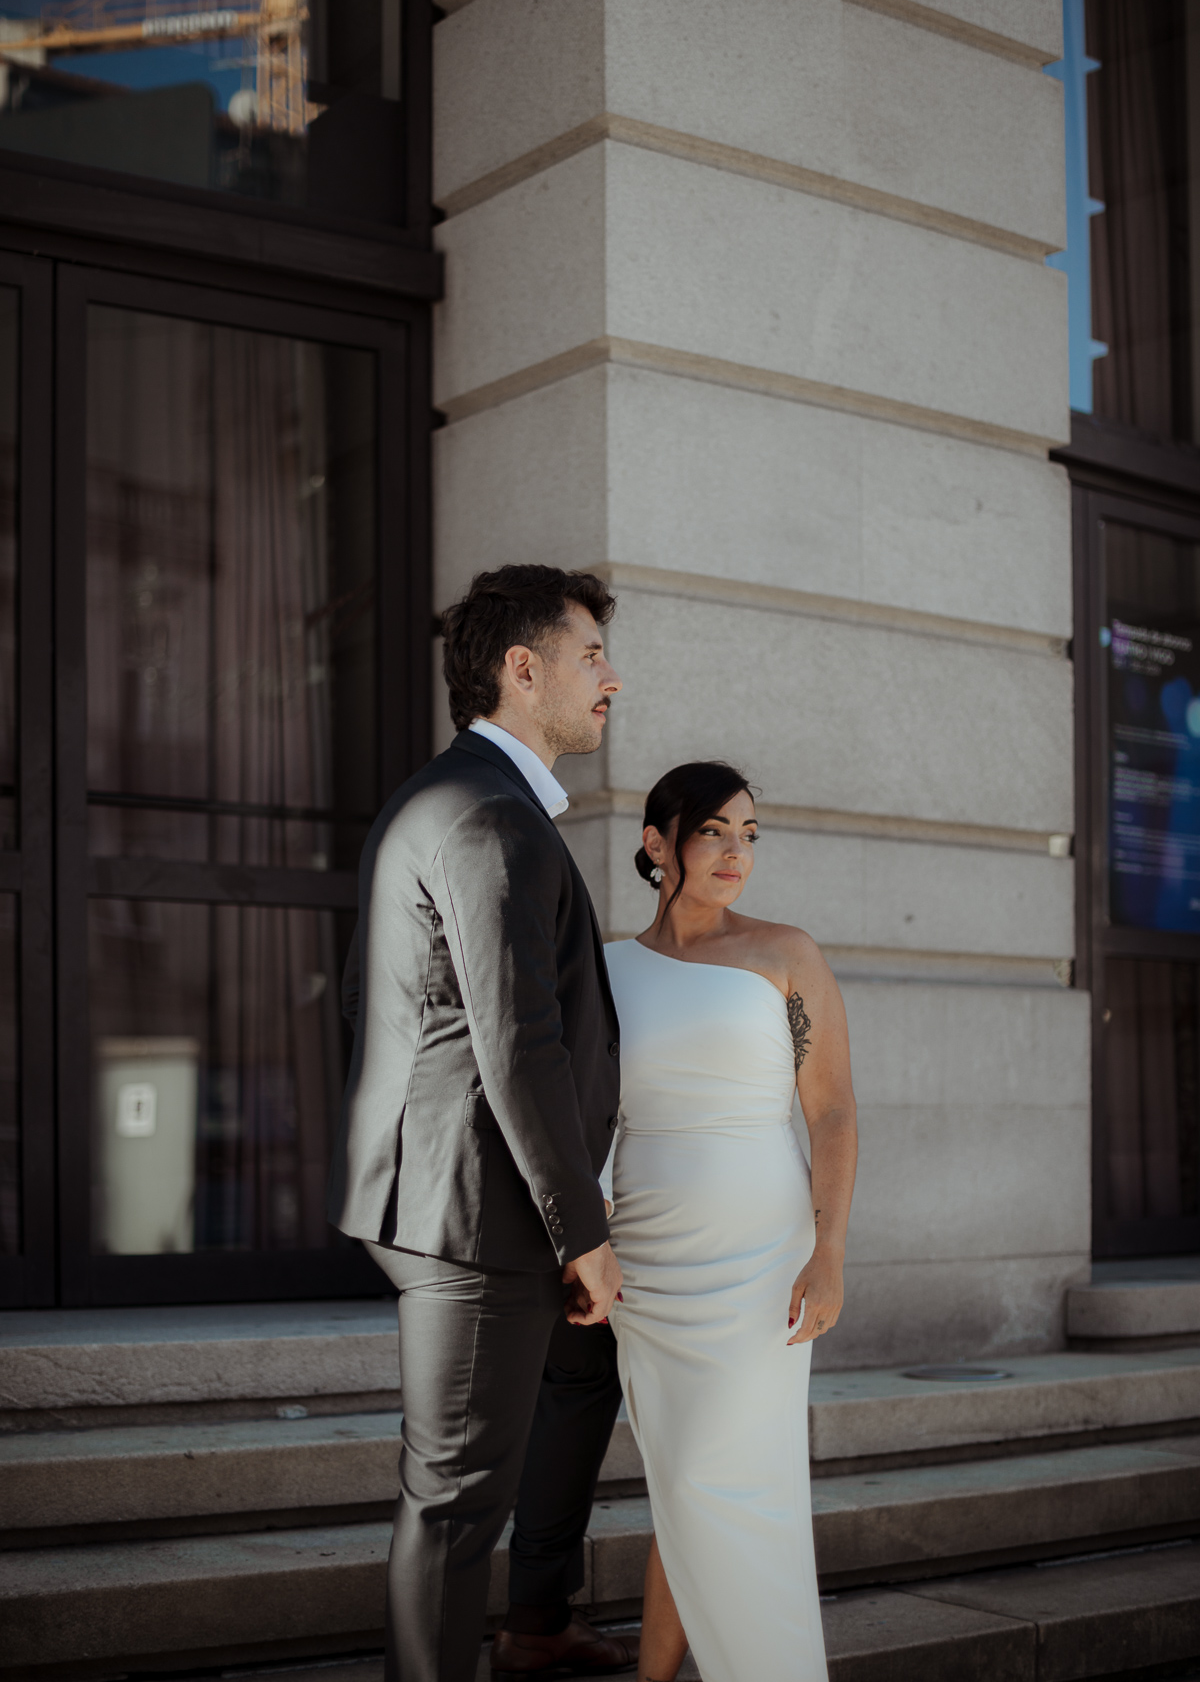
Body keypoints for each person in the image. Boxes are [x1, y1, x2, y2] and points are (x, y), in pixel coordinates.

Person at [327, 564, 639, 1682]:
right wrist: (582, 1229)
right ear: (525, 669)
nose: (613, 679)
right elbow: (517, 1042)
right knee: (455, 1499)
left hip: (470, 1198)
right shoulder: (487, 815)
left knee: (536, 1425)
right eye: (591, 655)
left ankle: (537, 1627)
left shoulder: (466, 800)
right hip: (474, 1213)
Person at [605, 761, 858, 1682]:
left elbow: (830, 1108)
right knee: (683, 1482)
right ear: (657, 843)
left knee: (721, 1471)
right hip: (649, 1254)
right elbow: (587, 1119)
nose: (736, 852)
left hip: (762, 1253)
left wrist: (828, 1251)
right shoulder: (604, 970)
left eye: (750, 834)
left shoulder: (785, 953)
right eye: (715, 831)